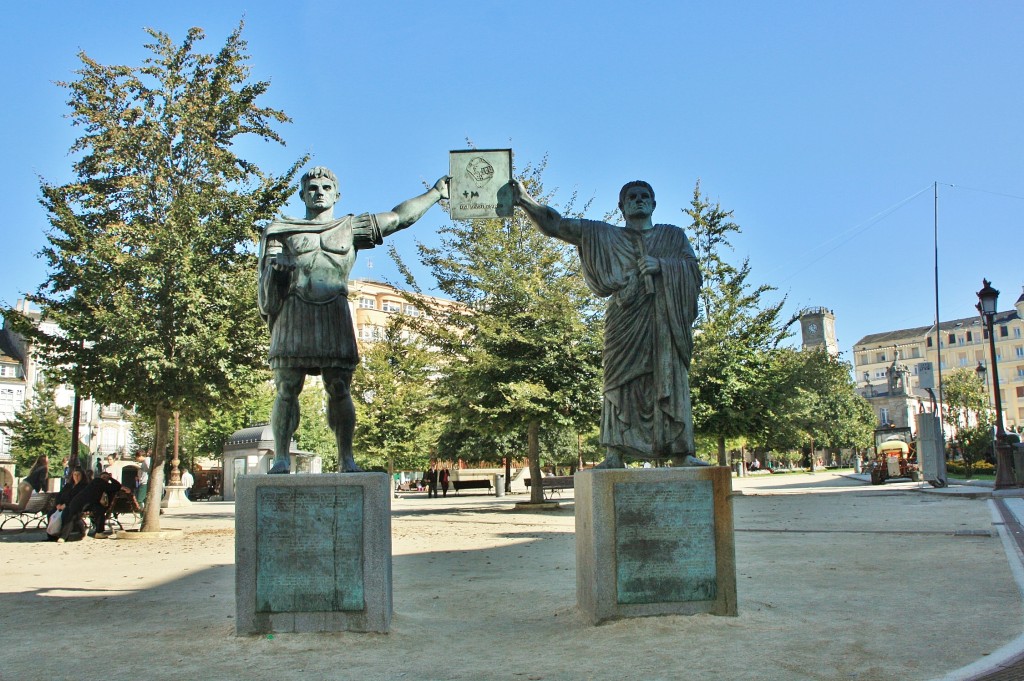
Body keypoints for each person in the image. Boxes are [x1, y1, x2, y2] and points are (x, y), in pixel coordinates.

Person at [258, 166, 450, 474]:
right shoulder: (283, 231)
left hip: (334, 310)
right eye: (312, 187)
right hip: (294, 313)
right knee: (287, 388)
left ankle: (346, 458)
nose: (318, 192)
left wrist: (435, 194)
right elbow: (268, 282)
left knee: (339, 388)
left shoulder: (350, 227)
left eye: (325, 187)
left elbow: (398, 218)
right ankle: (281, 457)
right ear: (302, 194)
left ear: (336, 194)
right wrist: (276, 272)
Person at [513, 179, 704, 469]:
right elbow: (558, 226)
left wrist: (663, 266)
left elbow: (693, 273)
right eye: (631, 197)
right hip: (624, 323)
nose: (638, 200)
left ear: (653, 204)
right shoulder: (603, 235)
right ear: (622, 206)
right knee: (618, 382)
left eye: (644, 196)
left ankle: (681, 452)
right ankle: (614, 454)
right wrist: (525, 200)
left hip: (664, 324)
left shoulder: (674, 237)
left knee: (670, 378)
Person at [55, 471, 127, 542]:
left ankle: (63, 537)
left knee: (73, 517)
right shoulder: (99, 481)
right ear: (100, 477)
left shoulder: (98, 483)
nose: (105, 478)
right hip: (82, 502)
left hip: (83, 502)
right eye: (103, 477)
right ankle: (98, 532)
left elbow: (116, 487)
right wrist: (111, 478)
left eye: (106, 477)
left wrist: (110, 479)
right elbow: (117, 486)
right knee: (72, 517)